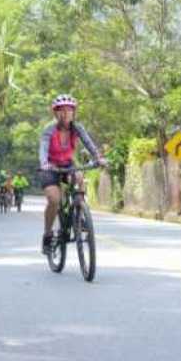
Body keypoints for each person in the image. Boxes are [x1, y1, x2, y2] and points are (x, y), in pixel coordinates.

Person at [39, 94, 105, 254]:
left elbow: (88, 143)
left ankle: (79, 211)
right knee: (54, 200)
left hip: (68, 164)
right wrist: (44, 163)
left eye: (69, 110)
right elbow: (43, 148)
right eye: (61, 111)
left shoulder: (77, 128)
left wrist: (98, 158)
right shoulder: (49, 129)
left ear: (73, 113)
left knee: (80, 178)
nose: (65, 114)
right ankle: (48, 235)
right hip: (50, 167)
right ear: (55, 113)